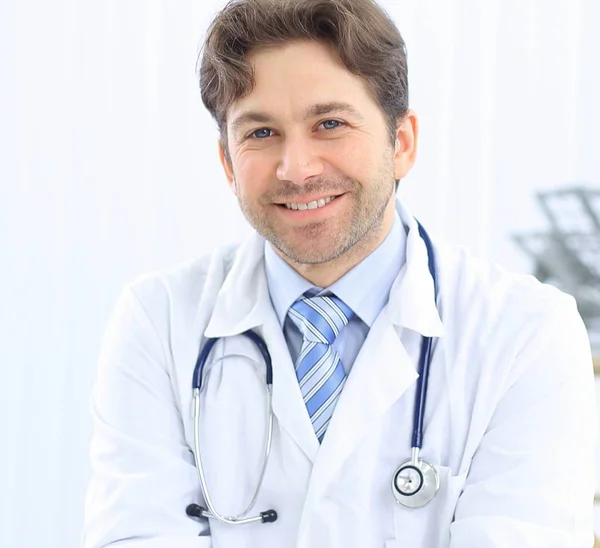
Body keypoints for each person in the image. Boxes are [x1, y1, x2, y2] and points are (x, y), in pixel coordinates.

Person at [82, 0, 597, 546]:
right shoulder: (158, 321)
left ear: (401, 143)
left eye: (330, 123)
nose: (296, 168)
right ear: (228, 163)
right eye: (260, 133)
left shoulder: (527, 333)